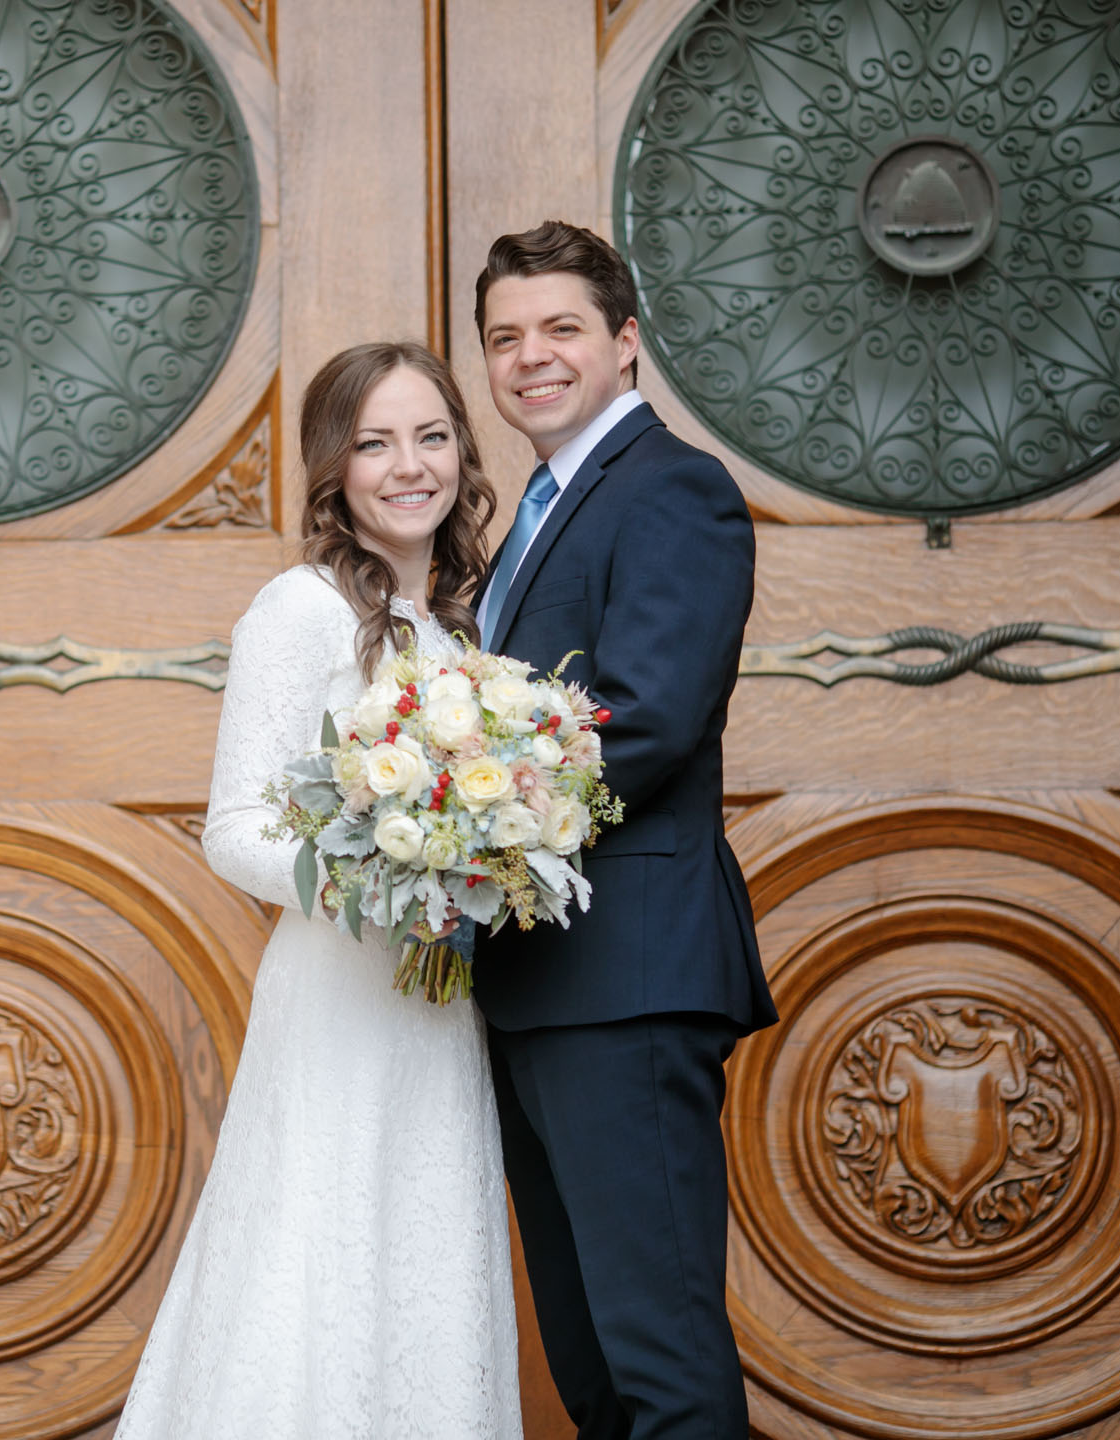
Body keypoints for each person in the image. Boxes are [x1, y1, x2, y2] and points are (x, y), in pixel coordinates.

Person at [115, 341, 521, 1439]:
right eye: (375, 442)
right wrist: (391, 876)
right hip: (340, 995)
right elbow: (236, 830)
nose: (408, 466)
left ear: (462, 454)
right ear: (333, 467)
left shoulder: (450, 625)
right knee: (321, 1251)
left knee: (421, 1246)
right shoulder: (296, 610)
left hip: (436, 1008)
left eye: (431, 437)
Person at [468, 220, 778, 1439]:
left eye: (560, 330)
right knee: (592, 1367)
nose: (530, 357)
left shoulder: (673, 489)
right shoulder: (535, 513)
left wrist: (456, 832)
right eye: (505, 337)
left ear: (626, 343)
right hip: (538, 983)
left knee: (659, 1361)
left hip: (627, 983)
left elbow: (643, 721)